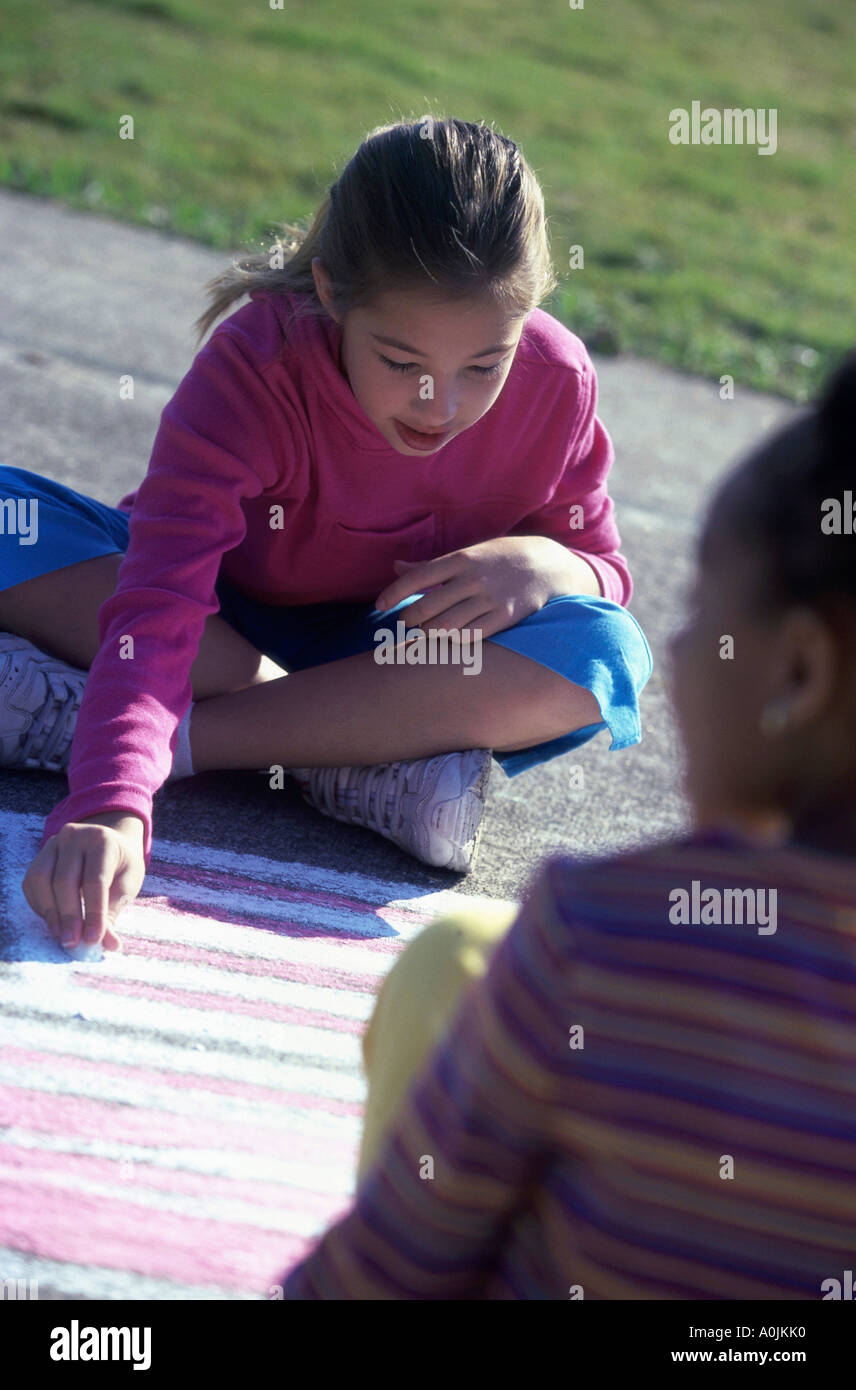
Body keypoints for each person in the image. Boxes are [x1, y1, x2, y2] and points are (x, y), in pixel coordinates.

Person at [277, 353, 856, 1300]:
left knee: (453, 956)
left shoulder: (599, 943)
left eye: (704, 613)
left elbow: (376, 1280)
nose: (676, 649)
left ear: (800, 672)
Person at [0, 116, 651, 953]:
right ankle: (351, 760)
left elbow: (609, 573)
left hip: (389, 662)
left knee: (604, 655)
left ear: (530, 315)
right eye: (398, 359)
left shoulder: (558, 382)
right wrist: (107, 806)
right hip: (210, 628)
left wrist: (553, 563)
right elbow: (160, 597)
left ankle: (168, 734)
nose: (438, 404)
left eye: (483, 366)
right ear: (332, 292)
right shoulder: (257, 363)